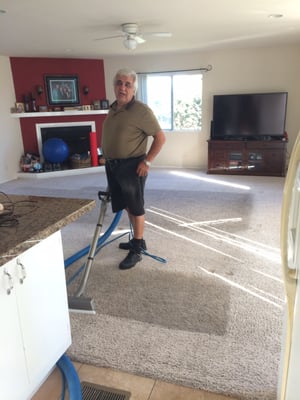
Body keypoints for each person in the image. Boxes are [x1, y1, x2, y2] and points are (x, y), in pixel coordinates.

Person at [101, 68, 166, 270]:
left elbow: (160, 138)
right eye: (119, 83)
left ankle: (137, 250)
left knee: (136, 207)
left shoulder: (141, 110)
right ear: (114, 86)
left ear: (133, 89)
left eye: (127, 84)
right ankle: (138, 239)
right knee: (126, 204)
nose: (122, 87)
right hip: (113, 166)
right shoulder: (112, 108)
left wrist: (147, 162)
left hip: (132, 166)